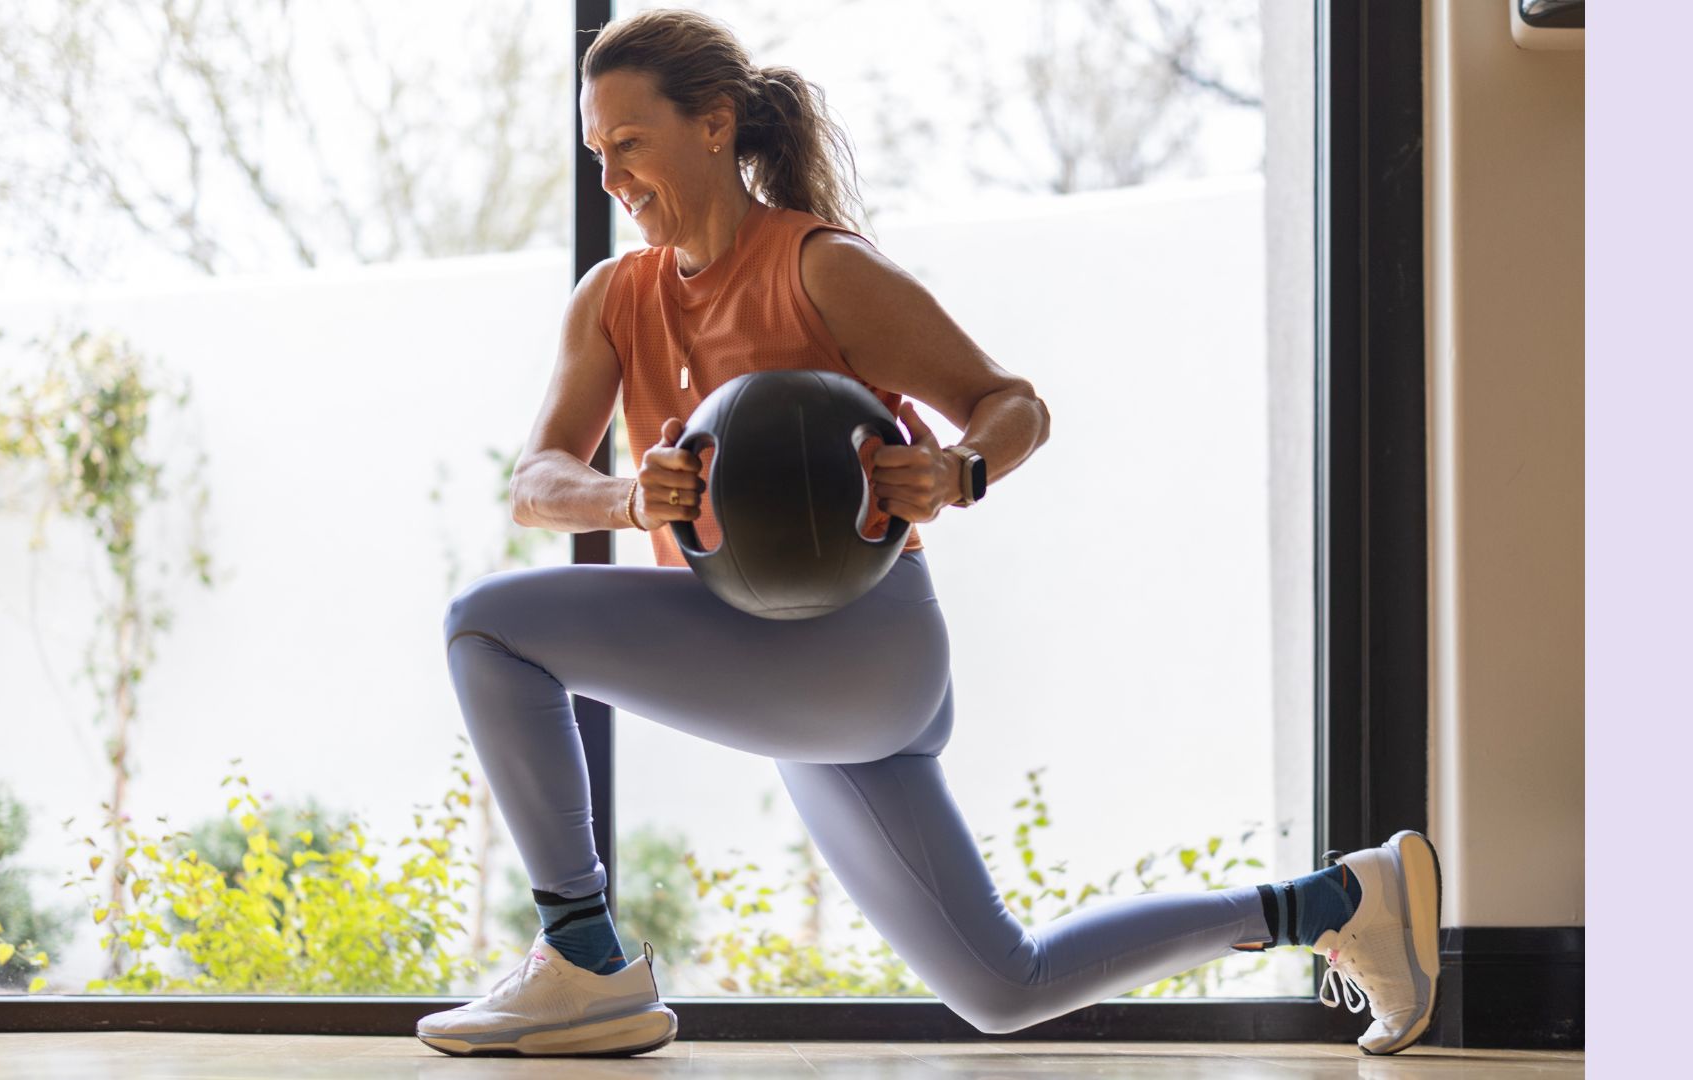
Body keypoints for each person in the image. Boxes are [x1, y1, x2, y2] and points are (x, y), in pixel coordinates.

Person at [420, 7, 1441, 1060]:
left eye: (629, 144)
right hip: (790, 665)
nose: (611, 179)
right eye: (597, 153)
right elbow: (538, 481)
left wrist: (959, 470)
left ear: (715, 125)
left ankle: (583, 957)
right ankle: (1332, 903)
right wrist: (629, 499)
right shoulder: (613, 299)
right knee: (1002, 987)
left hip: (864, 647)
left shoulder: (820, 266)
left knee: (486, 627)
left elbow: (1012, 404)